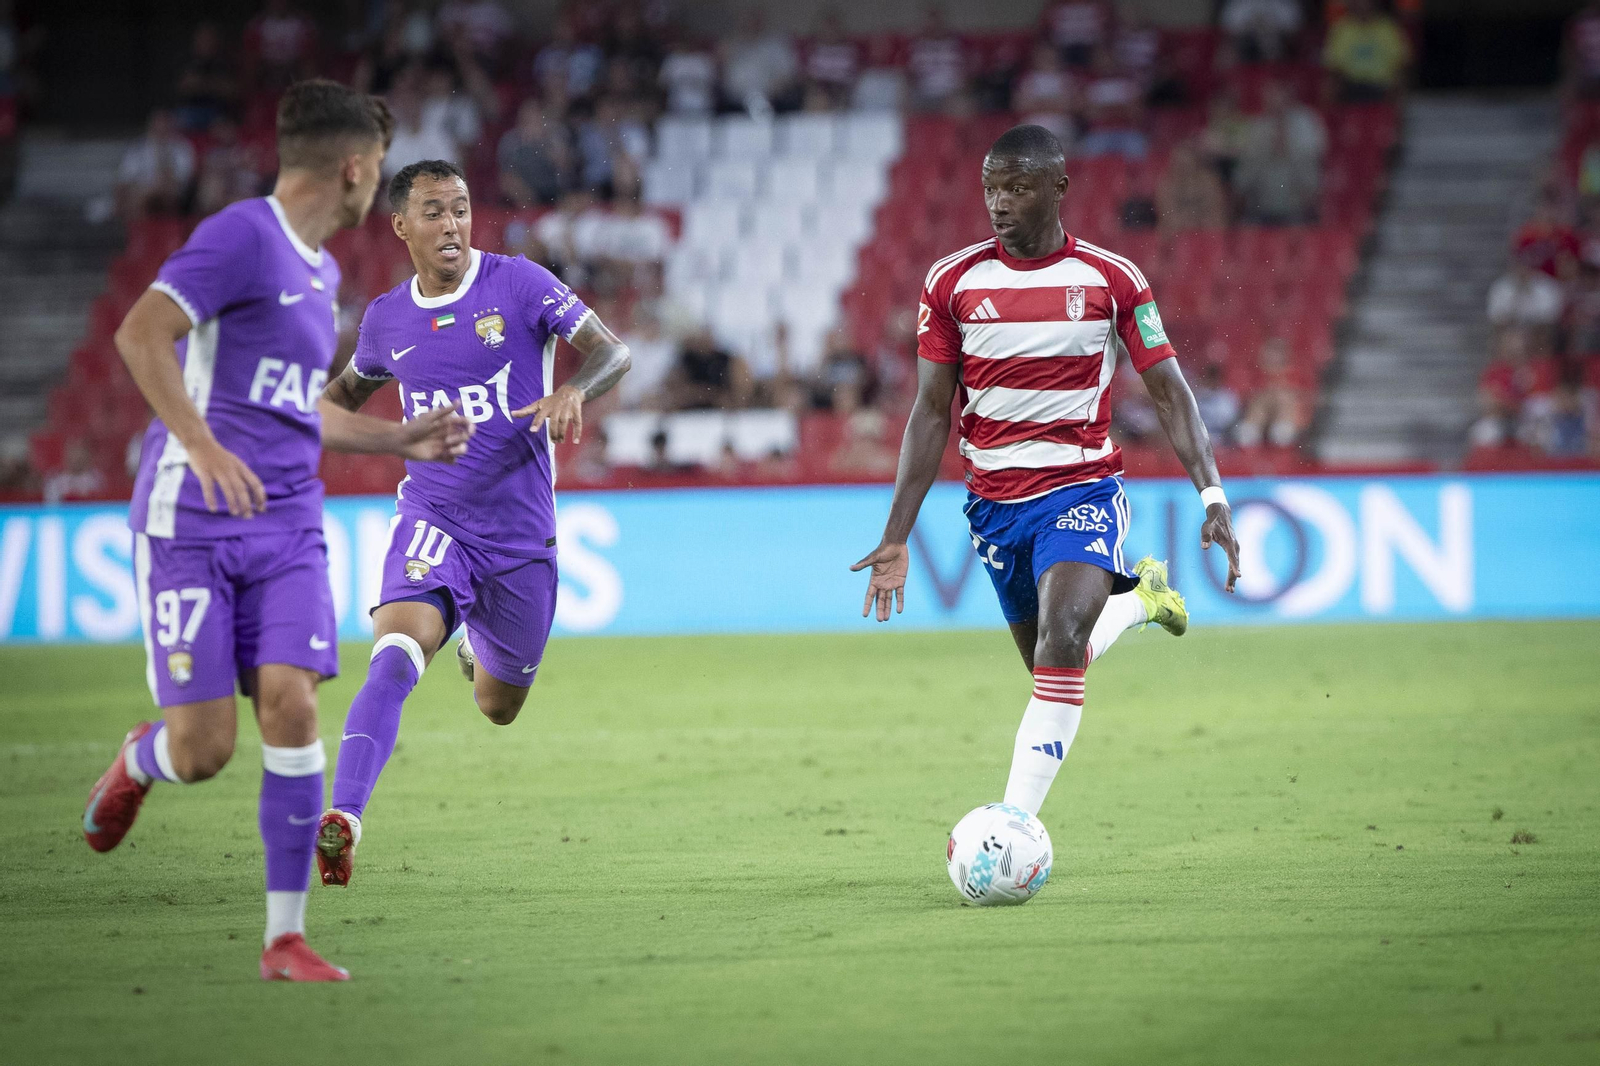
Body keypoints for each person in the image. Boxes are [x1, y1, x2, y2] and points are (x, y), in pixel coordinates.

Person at [81, 81, 471, 982]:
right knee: (204, 749)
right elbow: (141, 336)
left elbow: (300, 411)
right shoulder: (238, 238)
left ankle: (284, 938)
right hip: (193, 521)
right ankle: (142, 760)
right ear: (357, 167)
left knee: (293, 703)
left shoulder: (322, 271)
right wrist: (202, 444)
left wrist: (397, 436)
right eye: (378, 173)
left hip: (290, 521)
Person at [851, 124, 1239, 820]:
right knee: (1053, 668)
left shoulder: (1113, 280)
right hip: (995, 507)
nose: (1000, 203)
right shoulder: (951, 283)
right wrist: (896, 534)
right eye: (992, 188)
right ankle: (1142, 600)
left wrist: (1211, 492)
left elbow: (1170, 391)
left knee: (1063, 641)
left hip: (1081, 487)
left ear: (1059, 188)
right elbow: (931, 412)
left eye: (1018, 187)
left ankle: (1012, 827)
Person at [314, 159, 631, 888]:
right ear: (401, 225)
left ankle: (478, 653)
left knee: (499, 707)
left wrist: (572, 391)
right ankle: (345, 818)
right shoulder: (387, 320)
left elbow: (614, 352)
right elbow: (337, 403)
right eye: (433, 211)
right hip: (435, 517)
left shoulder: (518, 283)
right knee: (395, 648)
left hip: (521, 539)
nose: (451, 223)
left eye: (459, 208)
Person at [1234, 81, 1326, 225]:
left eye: (1278, 95)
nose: (1274, 101)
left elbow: (1315, 157)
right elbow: (1246, 168)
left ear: (1288, 96)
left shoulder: (1306, 122)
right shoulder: (1257, 125)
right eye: (1270, 97)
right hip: (1260, 205)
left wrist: (1288, 147)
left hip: (1298, 204)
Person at [1322, 0, 1410, 103]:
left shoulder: (1389, 28)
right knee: (1328, 85)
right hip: (1350, 86)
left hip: (1381, 87)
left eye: (1366, 2)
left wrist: (1397, 85)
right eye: (1357, 2)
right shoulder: (1341, 29)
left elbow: (1403, 63)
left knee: (1400, 85)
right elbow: (1333, 65)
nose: (1361, 5)